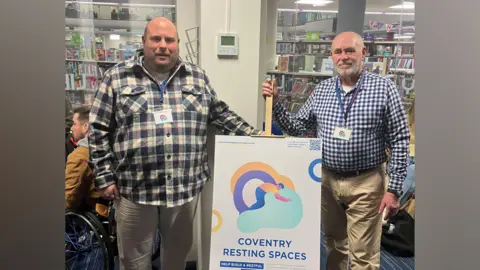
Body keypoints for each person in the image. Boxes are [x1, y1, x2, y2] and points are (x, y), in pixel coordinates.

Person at [88, 17, 262, 270]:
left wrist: (255, 136)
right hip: (134, 189)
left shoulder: (197, 77)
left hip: (184, 187)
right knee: (134, 261)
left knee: (177, 257)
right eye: (155, 39)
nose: (163, 46)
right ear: (143, 42)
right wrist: (104, 176)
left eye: (169, 40)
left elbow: (220, 113)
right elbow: (98, 128)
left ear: (177, 44)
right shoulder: (117, 77)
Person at [262, 31, 410, 270]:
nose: (344, 57)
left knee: (363, 253)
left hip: (367, 181)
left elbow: (401, 138)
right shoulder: (322, 90)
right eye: (338, 52)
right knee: (334, 243)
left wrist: (393, 190)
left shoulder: (384, 89)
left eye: (350, 50)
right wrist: (276, 103)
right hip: (326, 181)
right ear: (332, 57)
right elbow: (298, 127)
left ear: (363, 53)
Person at [65, 106, 108, 217]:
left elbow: (69, 200)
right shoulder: (107, 147)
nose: (72, 128)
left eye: (74, 124)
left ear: (85, 127)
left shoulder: (80, 156)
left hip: (90, 213)